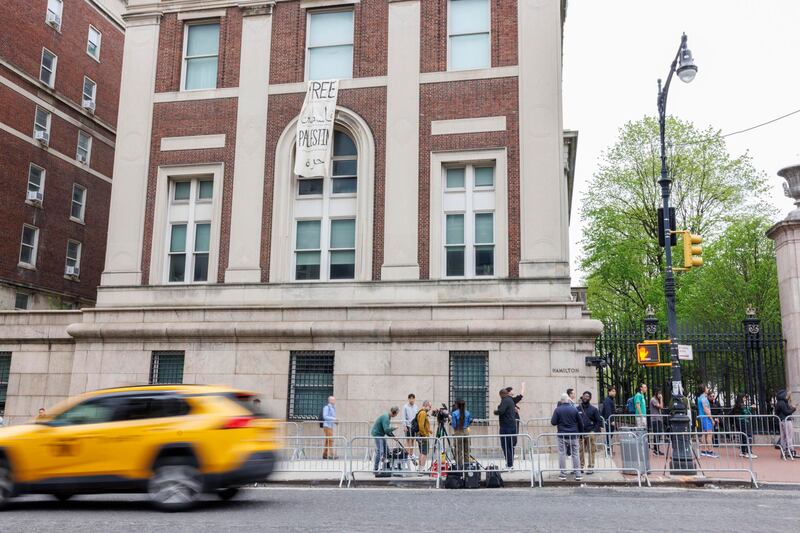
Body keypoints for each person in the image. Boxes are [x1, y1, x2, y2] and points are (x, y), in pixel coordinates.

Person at [551, 393, 584, 481]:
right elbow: (580, 422)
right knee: (575, 454)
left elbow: (553, 422)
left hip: (562, 435)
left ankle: (563, 474)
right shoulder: (574, 409)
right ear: (568, 400)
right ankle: (578, 474)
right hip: (573, 435)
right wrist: (581, 434)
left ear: (561, 401)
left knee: (562, 454)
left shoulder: (557, 410)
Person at [577, 391, 602, 474]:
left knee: (591, 450)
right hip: (581, 433)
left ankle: (591, 466)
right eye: (584, 396)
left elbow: (598, 422)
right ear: (582, 397)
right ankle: (581, 466)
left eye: (587, 396)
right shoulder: (577, 409)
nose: (585, 397)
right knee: (581, 450)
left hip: (591, 433)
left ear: (590, 398)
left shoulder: (594, 409)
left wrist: (594, 431)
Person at [371, 407, 399, 474]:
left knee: (387, 451)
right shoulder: (386, 418)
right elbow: (387, 430)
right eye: (397, 413)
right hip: (377, 435)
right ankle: (375, 469)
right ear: (394, 413)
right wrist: (394, 428)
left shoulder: (388, 417)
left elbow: (386, 431)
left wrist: (393, 437)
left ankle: (386, 466)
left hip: (381, 435)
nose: (397, 415)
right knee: (380, 451)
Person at [495, 389, 517, 468]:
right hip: (512, 426)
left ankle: (509, 464)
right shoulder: (511, 400)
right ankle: (510, 464)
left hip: (506, 427)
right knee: (510, 446)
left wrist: (495, 411)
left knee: (505, 446)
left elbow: (501, 411)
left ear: (501, 395)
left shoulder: (505, 400)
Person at [732, 393, 757, 459]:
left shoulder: (737, 405)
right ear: (741, 398)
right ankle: (748, 452)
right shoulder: (741, 405)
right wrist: (751, 408)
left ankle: (743, 451)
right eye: (744, 397)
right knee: (748, 435)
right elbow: (746, 412)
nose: (745, 398)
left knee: (743, 436)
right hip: (744, 421)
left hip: (740, 422)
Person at [697, 385, 717, 458]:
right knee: (709, 434)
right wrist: (711, 419)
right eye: (706, 388)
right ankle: (710, 451)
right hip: (706, 418)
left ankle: (703, 450)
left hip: (702, 417)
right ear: (704, 389)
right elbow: (706, 410)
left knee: (704, 434)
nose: (708, 389)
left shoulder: (699, 398)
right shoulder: (704, 398)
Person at [450, 399, 472, 469]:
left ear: (457, 405)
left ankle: (459, 467)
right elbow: (469, 423)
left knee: (458, 451)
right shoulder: (468, 413)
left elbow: (454, 425)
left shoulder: (454, 413)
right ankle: (466, 466)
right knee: (467, 451)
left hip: (458, 431)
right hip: (466, 432)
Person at [775, 389, 797, 459]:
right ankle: (791, 451)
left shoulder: (780, 402)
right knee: (789, 436)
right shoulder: (782, 403)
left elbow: (778, 412)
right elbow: (786, 412)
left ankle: (784, 451)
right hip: (786, 421)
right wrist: (793, 409)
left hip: (782, 421)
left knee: (784, 437)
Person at [415, 400, 433, 470]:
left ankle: (420, 468)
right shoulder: (423, 413)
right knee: (424, 453)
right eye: (430, 406)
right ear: (426, 405)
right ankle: (421, 469)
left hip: (420, 435)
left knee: (422, 452)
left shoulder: (421, 412)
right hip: (422, 436)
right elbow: (421, 426)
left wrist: (429, 431)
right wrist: (425, 435)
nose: (430, 408)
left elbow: (423, 425)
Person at [649, 388, 666, 455]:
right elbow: (661, 407)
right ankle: (655, 450)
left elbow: (662, 406)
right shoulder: (653, 400)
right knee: (656, 434)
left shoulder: (656, 400)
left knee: (658, 434)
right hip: (655, 419)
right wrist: (661, 399)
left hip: (658, 419)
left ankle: (657, 449)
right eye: (659, 393)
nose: (660, 395)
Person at [322, 396, 337, 460]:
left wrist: (335, 421)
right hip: (327, 426)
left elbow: (331, 416)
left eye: (334, 400)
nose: (334, 401)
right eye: (333, 400)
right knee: (330, 440)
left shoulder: (333, 408)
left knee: (327, 440)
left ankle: (325, 454)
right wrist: (334, 419)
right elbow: (325, 416)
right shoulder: (326, 407)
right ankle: (331, 455)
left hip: (330, 426)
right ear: (329, 401)